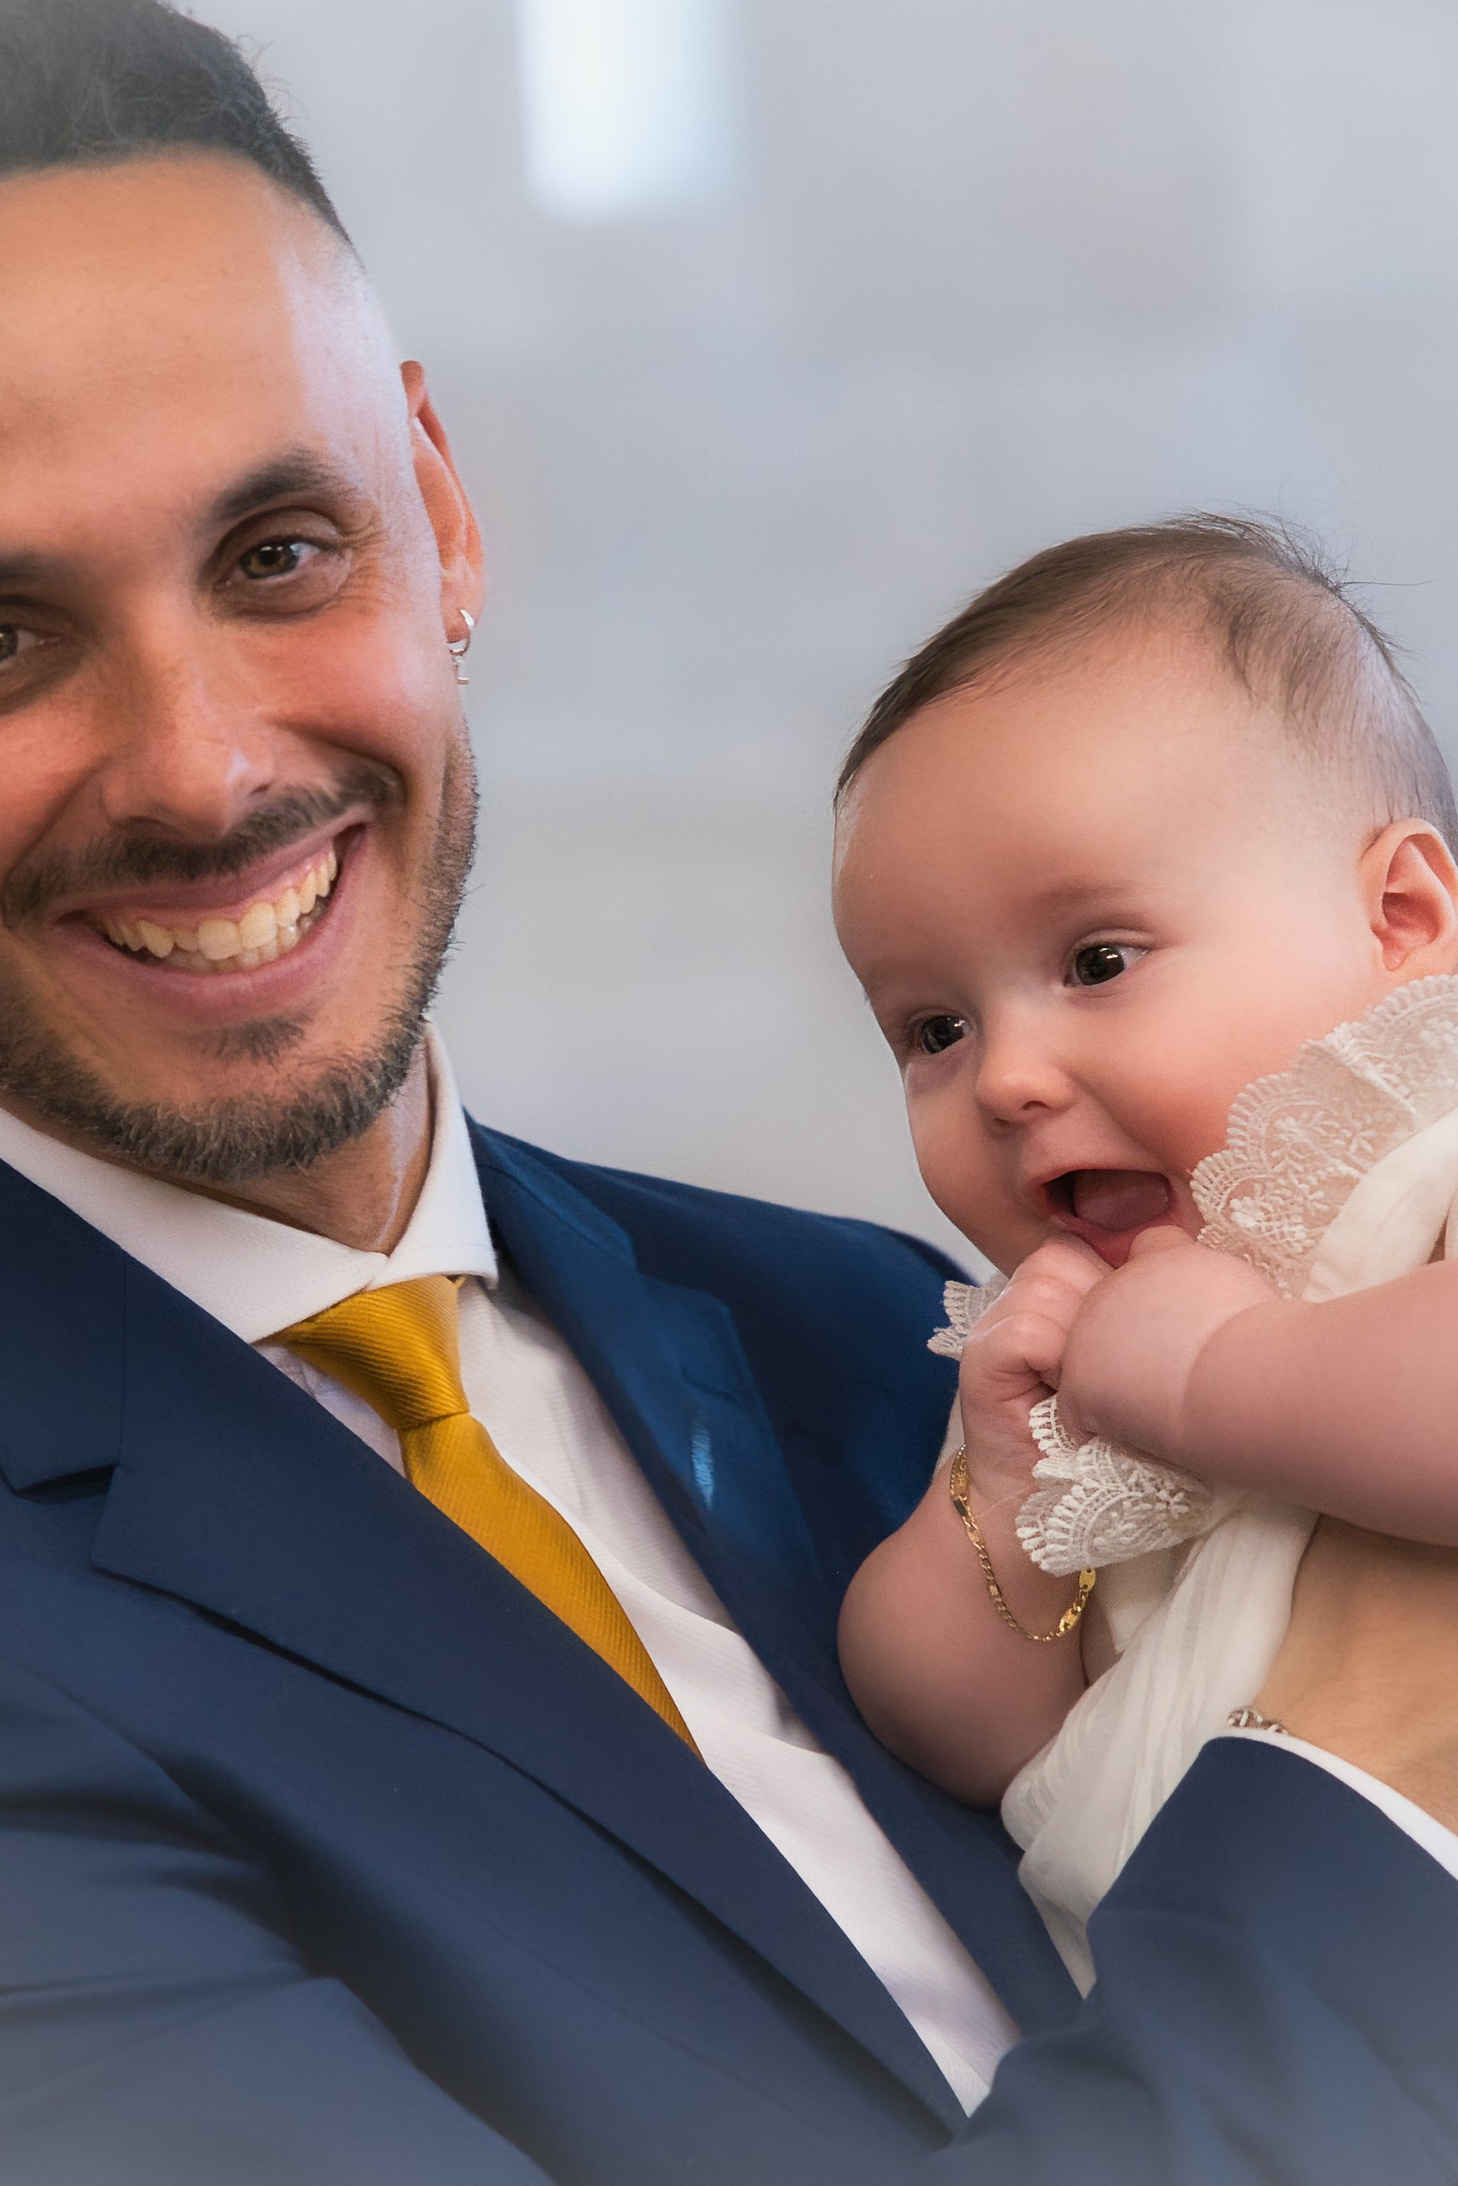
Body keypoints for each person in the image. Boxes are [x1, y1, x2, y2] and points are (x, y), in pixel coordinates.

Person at [0, 4, 1456, 2179]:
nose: (208, 769)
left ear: (443, 509)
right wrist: (1379, 1758)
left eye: (281, 552)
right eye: (2, 638)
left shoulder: (867, 1327)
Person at [834, 516, 1458, 1981]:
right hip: (1241, 2033)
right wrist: (995, 1503)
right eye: (934, 1028)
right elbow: (968, 1735)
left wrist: (1215, 1373)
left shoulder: (1425, 1153)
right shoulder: (1065, 1357)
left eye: (1095, 962)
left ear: (1401, 921)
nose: (1006, 1077)